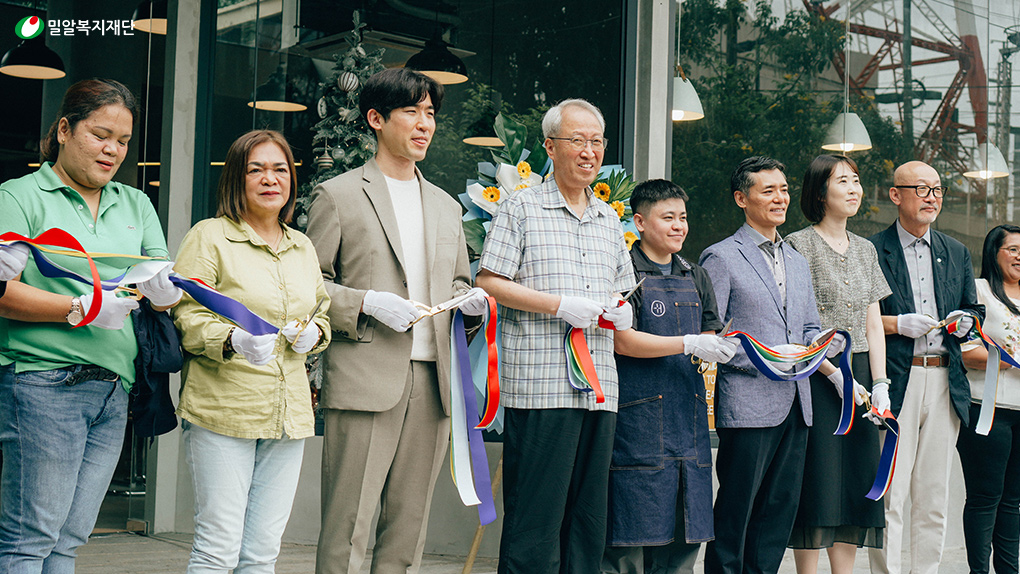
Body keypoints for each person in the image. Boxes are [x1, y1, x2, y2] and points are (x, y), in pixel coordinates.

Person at [305, 68, 487, 574]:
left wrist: (470, 304)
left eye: (430, 113)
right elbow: (305, 285)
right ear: (375, 119)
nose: (425, 123)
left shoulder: (447, 206)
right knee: (348, 524)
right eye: (411, 111)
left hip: (433, 382)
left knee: (408, 529)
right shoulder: (338, 194)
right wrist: (364, 302)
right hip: (365, 377)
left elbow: (456, 283)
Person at [0, 78, 182, 572]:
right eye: (100, 135)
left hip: (114, 388)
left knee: (70, 538)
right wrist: (78, 307)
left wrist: (165, 294)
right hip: (43, 382)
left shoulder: (136, 202)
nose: (112, 150)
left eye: (123, 141)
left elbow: (157, 281)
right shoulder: (19, 196)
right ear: (64, 129)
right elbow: (1, 290)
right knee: (31, 537)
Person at [476, 98, 636, 574]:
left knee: (588, 521)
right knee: (536, 521)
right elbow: (489, 282)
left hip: (600, 388)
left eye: (596, 141)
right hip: (541, 385)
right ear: (549, 147)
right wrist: (558, 305)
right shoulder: (521, 207)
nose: (589, 152)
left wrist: (622, 310)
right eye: (577, 140)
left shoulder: (609, 219)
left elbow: (621, 288)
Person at [171, 129, 331, 573]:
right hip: (225, 409)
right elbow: (185, 314)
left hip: (288, 414)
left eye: (280, 169)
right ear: (235, 179)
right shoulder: (209, 237)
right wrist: (232, 340)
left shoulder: (302, 246)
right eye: (255, 169)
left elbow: (321, 310)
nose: (269, 179)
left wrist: (315, 334)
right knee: (218, 548)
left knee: (262, 553)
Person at [699, 156, 840, 574]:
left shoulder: (796, 259)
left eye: (784, 189)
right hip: (748, 403)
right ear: (741, 198)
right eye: (768, 191)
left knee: (777, 515)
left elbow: (808, 325)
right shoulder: (721, 257)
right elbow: (710, 336)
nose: (780, 198)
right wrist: (771, 356)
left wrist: (819, 344)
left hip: (797, 404)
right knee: (736, 512)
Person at [601, 179, 737, 574]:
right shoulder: (624, 273)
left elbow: (709, 333)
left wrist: (716, 345)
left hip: (688, 417)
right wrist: (688, 342)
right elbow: (622, 341)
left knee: (684, 534)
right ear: (640, 222)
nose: (679, 226)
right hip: (636, 420)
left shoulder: (696, 275)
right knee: (628, 535)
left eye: (683, 217)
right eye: (668, 217)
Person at [867, 160, 984, 574]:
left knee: (934, 495)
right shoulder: (871, 250)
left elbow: (974, 309)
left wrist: (967, 321)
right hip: (897, 379)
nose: (931, 197)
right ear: (895, 195)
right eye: (921, 188)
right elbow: (854, 317)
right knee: (892, 492)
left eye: (937, 189)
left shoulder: (955, 251)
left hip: (945, 378)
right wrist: (896, 323)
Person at [785, 155, 891, 574]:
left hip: (861, 377)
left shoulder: (866, 249)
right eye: (842, 181)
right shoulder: (798, 244)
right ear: (819, 191)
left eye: (856, 180)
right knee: (819, 481)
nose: (853, 189)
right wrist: (833, 375)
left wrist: (880, 384)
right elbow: (796, 323)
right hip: (816, 375)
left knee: (855, 483)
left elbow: (873, 322)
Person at [956, 224, 1020, 574]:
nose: (1019, 256)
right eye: (1013, 249)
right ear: (994, 253)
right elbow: (965, 351)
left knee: (1013, 502)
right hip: (986, 409)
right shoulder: (978, 291)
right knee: (985, 498)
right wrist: (1008, 359)